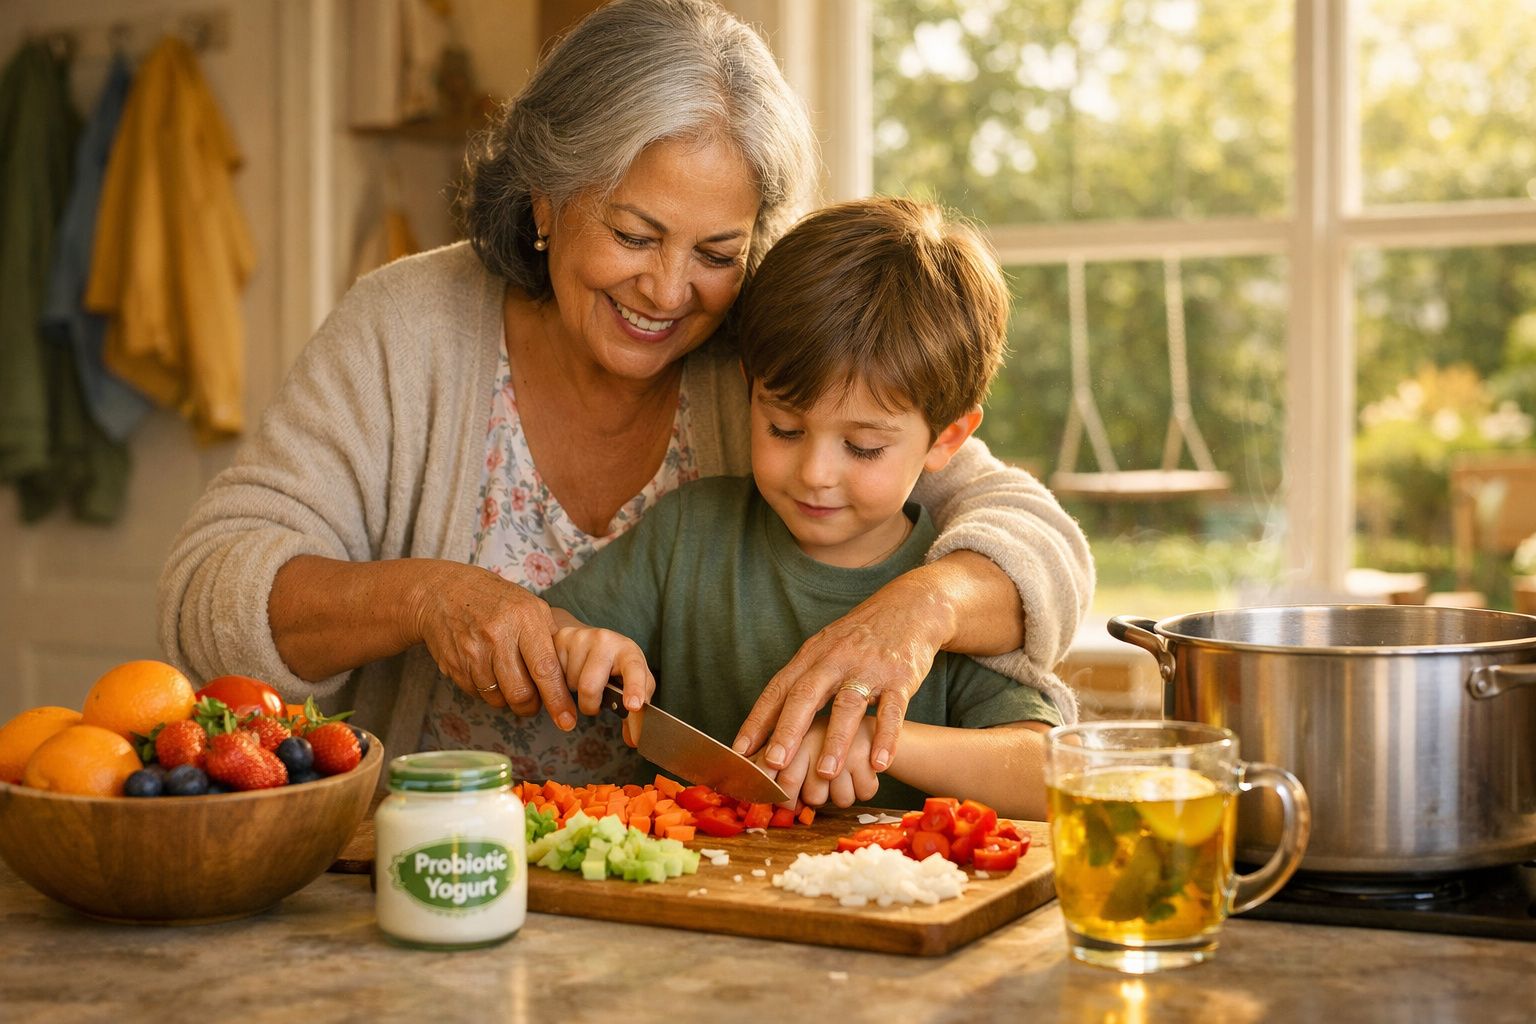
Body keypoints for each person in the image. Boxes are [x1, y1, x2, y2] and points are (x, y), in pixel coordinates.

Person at [157, 0, 1094, 787]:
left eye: (718, 252)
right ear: (546, 200)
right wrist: (429, 597)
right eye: (636, 235)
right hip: (438, 858)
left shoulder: (772, 354)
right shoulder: (406, 326)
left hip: (689, 883)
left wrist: (916, 611)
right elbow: (210, 595)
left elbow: (1032, 538)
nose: (669, 290)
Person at [541, 198, 1061, 818]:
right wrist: (580, 643)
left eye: (863, 447)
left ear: (947, 437)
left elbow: (1051, 770)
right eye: (783, 428)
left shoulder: (953, 584)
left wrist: (873, 744)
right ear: (748, 389)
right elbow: (552, 626)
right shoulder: (689, 534)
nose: (815, 474)